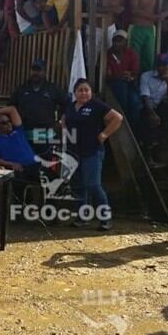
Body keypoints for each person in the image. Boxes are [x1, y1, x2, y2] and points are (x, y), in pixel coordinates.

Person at [60, 79, 123, 230]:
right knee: (78, 186)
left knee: (93, 185)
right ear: (75, 92)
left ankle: (105, 219)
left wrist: (104, 134)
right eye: (80, 90)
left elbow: (117, 118)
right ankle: (83, 217)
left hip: (92, 151)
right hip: (74, 152)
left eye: (86, 90)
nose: (84, 93)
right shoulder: (70, 106)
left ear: (91, 92)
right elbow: (63, 120)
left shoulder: (96, 105)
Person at [10, 59, 68, 155]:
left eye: (39, 70)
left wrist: (59, 120)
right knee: (26, 162)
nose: (35, 73)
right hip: (25, 135)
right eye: (33, 70)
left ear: (44, 72)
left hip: (46, 136)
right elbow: (11, 106)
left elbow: (66, 104)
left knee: (45, 162)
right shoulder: (21, 89)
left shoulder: (52, 89)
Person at [139, 53, 168, 160]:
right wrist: (152, 114)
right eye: (159, 65)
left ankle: (159, 142)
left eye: (165, 65)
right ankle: (148, 151)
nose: (162, 68)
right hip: (147, 107)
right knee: (148, 121)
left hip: (161, 108)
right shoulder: (146, 76)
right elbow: (145, 97)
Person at [0, 106, 42, 180]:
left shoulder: (18, 131)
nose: (9, 124)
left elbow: (12, 110)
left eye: (9, 121)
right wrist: (11, 164)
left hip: (36, 166)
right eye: (4, 123)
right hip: (19, 169)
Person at [128, 0, 165, 74]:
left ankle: (146, 80)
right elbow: (134, 10)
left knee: (149, 58)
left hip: (150, 29)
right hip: (136, 28)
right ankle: (133, 80)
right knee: (134, 57)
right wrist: (155, 17)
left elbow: (160, 7)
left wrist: (164, 13)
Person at [107, 30, 143, 131]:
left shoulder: (131, 54)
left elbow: (135, 72)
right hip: (115, 84)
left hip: (129, 83)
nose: (117, 43)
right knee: (122, 94)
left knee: (135, 102)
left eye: (120, 40)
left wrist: (130, 75)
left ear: (125, 42)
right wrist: (119, 76)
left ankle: (133, 128)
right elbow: (108, 75)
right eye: (115, 40)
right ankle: (124, 122)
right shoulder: (108, 54)